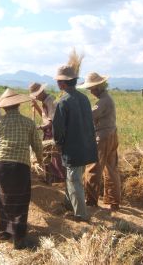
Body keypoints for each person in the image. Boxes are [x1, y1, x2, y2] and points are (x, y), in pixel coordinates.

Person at [0, 88, 43, 250]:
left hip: (2, 165)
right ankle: (19, 237)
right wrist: (40, 161)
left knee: (3, 198)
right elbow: (38, 146)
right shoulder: (28, 123)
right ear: (18, 105)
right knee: (20, 200)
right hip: (21, 165)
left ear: (4, 107)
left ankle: (4, 232)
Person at [52, 62, 98, 222]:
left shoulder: (63, 102)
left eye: (58, 81)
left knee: (74, 179)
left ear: (63, 83)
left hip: (73, 147)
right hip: (86, 145)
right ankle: (69, 204)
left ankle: (81, 215)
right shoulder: (84, 98)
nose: (57, 83)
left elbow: (58, 128)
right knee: (72, 176)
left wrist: (58, 144)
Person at [78, 72, 121, 211]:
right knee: (111, 168)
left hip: (102, 137)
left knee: (93, 168)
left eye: (91, 89)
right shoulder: (107, 98)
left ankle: (90, 201)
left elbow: (89, 116)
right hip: (112, 135)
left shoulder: (102, 101)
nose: (90, 92)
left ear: (97, 87)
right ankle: (113, 201)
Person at [29, 82, 66, 183]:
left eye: (36, 96)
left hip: (54, 132)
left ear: (41, 92)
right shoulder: (44, 101)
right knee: (46, 157)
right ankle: (49, 178)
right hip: (47, 132)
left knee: (55, 157)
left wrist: (39, 127)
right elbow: (44, 116)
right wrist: (36, 106)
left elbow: (52, 121)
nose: (36, 98)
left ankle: (59, 180)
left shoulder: (51, 101)